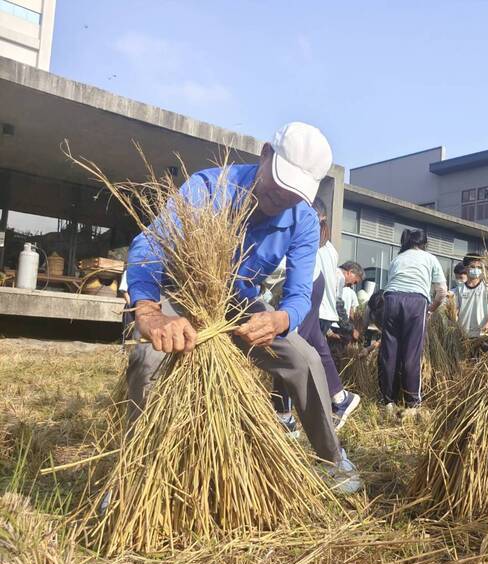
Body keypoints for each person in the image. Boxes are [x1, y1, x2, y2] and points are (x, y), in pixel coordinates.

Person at [125, 122, 361, 494]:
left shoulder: (303, 220)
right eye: (279, 182)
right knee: (147, 361)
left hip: (237, 302)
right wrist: (150, 312)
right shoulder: (210, 188)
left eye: (294, 191)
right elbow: (150, 245)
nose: (282, 196)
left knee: (305, 360)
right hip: (182, 291)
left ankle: (332, 460)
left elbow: (299, 296)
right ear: (265, 154)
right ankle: (133, 473)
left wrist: (280, 319)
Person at [273, 199, 361, 436]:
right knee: (316, 347)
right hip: (313, 296)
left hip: (305, 292)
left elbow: (283, 267)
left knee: (285, 348)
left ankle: (284, 415)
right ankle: (340, 397)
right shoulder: (327, 246)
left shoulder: (310, 236)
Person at [379, 229, 447, 410]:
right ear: (424, 244)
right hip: (416, 302)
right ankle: (412, 402)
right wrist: (431, 309)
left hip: (391, 300)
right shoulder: (429, 258)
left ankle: (388, 401)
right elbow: (442, 292)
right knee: (412, 353)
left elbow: (389, 283)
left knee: (389, 352)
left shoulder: (397, 259)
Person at [452, 254, 488, 338]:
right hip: (465, 334)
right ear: (465, 268)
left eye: (479, 267)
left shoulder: (487, 286)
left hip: (484, 334)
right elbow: (455, 310)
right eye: (472, 266)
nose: (476, 269)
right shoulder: (459, 289)